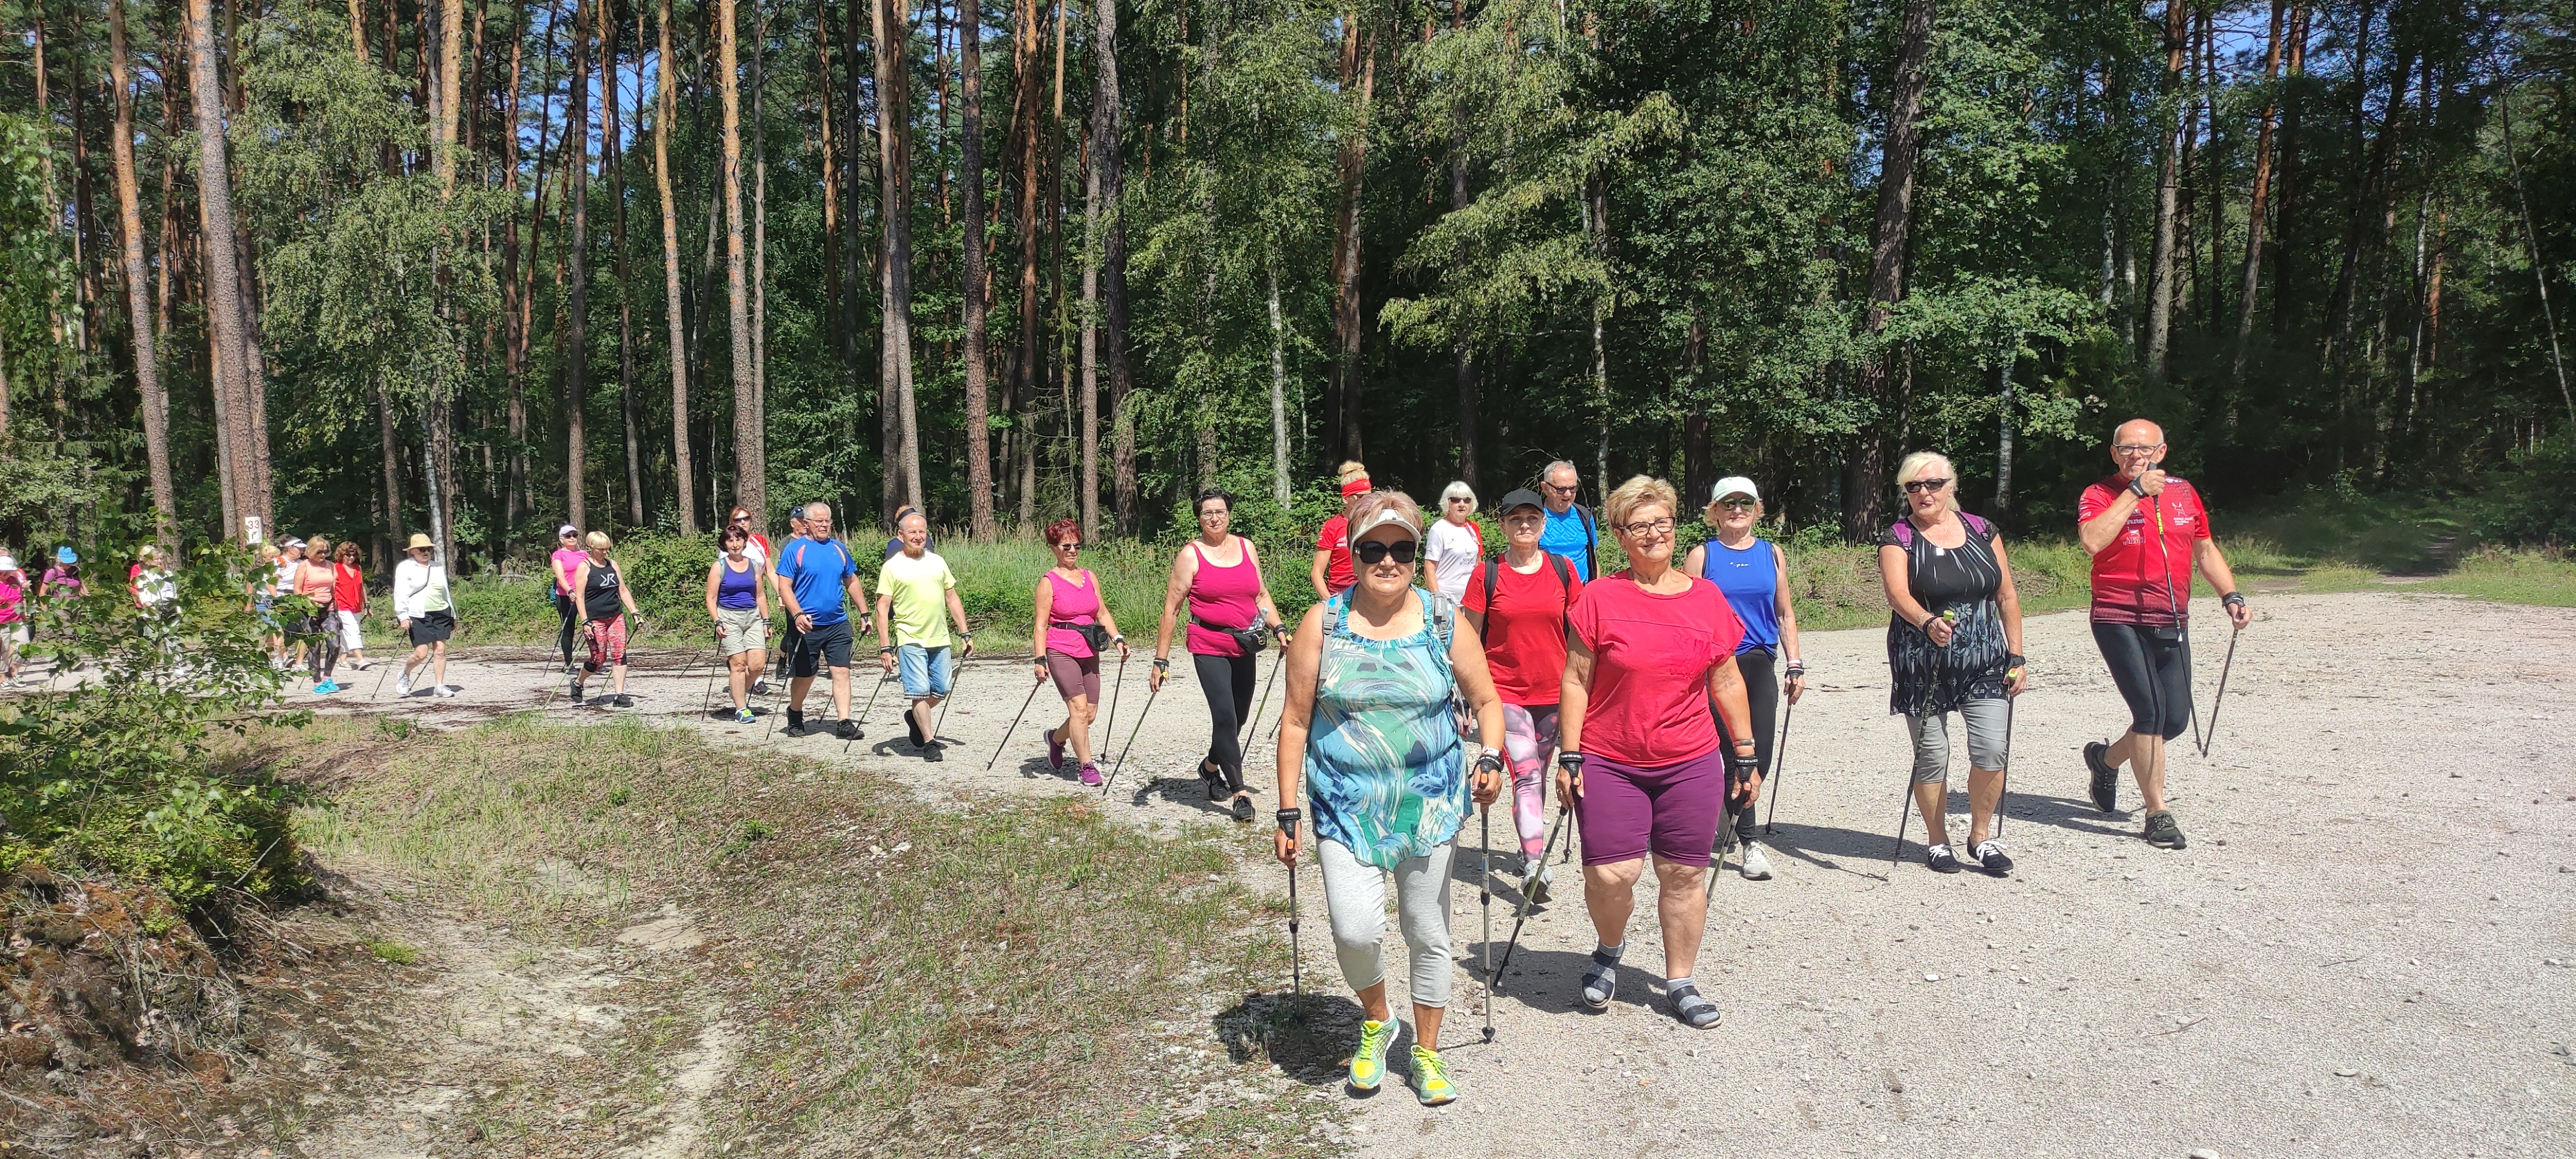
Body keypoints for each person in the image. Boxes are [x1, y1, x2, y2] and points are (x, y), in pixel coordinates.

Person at [1273, 490, 1505, 1106]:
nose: (1387, 560)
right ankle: (1378, 1018)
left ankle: (1425, 1052)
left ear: (1414, 553)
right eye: (1372, 548)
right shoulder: (1321, 622)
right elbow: (1295, 721)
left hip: (1428, 804)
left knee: (1426, 929)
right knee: (1354, 931)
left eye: (1401, 549)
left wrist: (1489, 756)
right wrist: (1287, 808)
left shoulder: (1440, 618)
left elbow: (1486, 700)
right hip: (1342, 806)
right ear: (1352, 552)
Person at [1557, 475, 1759, 1030]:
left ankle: (1680, 980)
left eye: (1662, 522)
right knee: (1611, 875)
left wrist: (1744, 752)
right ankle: (1608, 949)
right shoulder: (1598, 597)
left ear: (1676, 526)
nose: (1653, 533)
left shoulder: (1706, 598)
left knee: (1683, 874)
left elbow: (1727, 681)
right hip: (1609, 757)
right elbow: (1575, 680)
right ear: (1620, 535)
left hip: (1690, 758)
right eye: (1639, 525)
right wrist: (1568, 756)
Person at [2076, 419, 2250, 850]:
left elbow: (2204, 548)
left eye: (2146, 448)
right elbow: (2092, 541)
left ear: (2163, 452)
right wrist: (2134, 493)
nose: (2138, 455)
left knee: (2173, 720)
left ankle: (2106, 760)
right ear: (2114, 454)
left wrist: (2230, 593)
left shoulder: (2183, 492)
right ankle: (2158, 812)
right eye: (2127, 449)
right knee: (2150, 713)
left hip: (2171, 615)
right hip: (2117, 615)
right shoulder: (2099, 493)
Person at [1879, 452, 2029, 875]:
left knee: (1992, 748)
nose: (1924, 493)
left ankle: (1980, 837)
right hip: (1922, 662)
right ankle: (1937, 839)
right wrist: (1927, 623)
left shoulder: (1983, 531)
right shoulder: (1898, 538)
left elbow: (2007, 596)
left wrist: (2016, 655)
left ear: (1952, 485)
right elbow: (1896, 595)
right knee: (1932, 756)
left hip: (1986, 659)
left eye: (1933, 484)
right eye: (1914, 487)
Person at [1458, 487, 1583, 902]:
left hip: (1555, 692)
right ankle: (1534, 864)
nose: (1525, 525)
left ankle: (1529, 846)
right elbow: (1468, 637)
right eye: (1516, 520)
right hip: (1503, 693)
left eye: (1532, 518)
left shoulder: (1564, 570)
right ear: (1503, 526)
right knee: (1526, 773)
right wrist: (1466, 694)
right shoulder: (1487, 573)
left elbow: (1582, 634)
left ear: (1543, 524)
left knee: (1540, 775)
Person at [1682, 476, 1807, 880]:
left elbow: (1785, 613)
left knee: (1761, 755)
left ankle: (1728, 811)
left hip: (1759, 660)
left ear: (1758, 508)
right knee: (1738, 754)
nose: (1737, 510)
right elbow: (1685, 616)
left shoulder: (1772, 554)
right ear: (1714, 511)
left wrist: (1795, 664)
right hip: (1718, 664)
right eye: (1728, 503)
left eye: (1745, 503)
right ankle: (1750, 843)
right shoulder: (1703, 556)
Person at [1152, 489, 1290, 818]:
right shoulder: (1191, 555)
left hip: (1244, 643)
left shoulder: (1246, 547)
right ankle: (1239, 793)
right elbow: (1172, 608)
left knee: (1238, 717)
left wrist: (1279, 628)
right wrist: (1161, 659)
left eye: (1221, 512)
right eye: (1207, 513)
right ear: (1199, 518)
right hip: (1208, 643)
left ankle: (1211, 766)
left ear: (1229, 514)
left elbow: (1261, 596)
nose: (1215, 518)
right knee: (1225, 716)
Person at [1031, 519, 1130, 786]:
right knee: (1078, 709)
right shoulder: (1048, 582)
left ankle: (1056, 738)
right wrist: (1040, 660)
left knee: (1090, 713)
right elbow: (1040, 625)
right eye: (1066, 546)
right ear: (1054, 548)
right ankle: (1087, 766)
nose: (1073, 551)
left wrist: (1118, 638)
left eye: (1076, 545)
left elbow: (1102, 612)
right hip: (1060, 648)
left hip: (1090, 647)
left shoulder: (1089, 577)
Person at [875, 510, 975, 759]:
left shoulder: (937, 562)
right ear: (901, 535)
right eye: (912, 532)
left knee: (941, 688)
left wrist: (965, 632)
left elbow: (951, 598)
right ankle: (929, 742)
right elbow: (882, 607)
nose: (918, 537)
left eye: (922, 532)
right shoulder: (892, 567)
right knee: (919, 690)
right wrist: (885, 647)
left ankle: (915, 717)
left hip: (940, 638)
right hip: (910, 638)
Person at [774, 502, 869, 739]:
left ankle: (844, 722)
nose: (824, 525)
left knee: (841, 671)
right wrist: (797, 614)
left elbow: (852, 581)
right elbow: (784, 586)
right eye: (819, 521)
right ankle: (795, 711)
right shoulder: (796, 549)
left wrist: (864, 613)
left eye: (827, 520)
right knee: (805, 675)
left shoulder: (838, 548)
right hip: (806, 625)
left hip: (837, 623)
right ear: (806, 524)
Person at [705, 525, 773, 723]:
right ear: (725, 544)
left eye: (738, 540)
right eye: (730, 541)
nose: (735, 544)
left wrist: (766, 620)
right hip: (729, 617)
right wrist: (717, 621)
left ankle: (738, 692)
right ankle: (741, 709)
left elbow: (760, 595)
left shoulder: (753, 565)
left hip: (752, 617)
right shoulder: (720, 566)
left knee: (758, 665)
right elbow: (711, 598)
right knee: (738, 663)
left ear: (744, 541)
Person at [569, 531, 642, 708]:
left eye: (608, 549)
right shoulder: (584, 568)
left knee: (619, 654)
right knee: (598, 659)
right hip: (595, 619)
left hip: (615, 616)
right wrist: (585, 621)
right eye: (602, 549)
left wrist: (635, 612)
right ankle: (578, 682)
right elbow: (579, 597)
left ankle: (620, 695)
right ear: (591, 548)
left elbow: (623, 591)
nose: (605, 553)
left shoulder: (613, 565)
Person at [393, 534, 458, 698]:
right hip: (418, 614)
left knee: (440, 650)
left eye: (429, 549)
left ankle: (439, 686)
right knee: (421, 653)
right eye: (422, 549)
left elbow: (446, 593)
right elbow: (400, 593)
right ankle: (405, 674)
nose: (426, 552)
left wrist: (453, 614)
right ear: (413, 551)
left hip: (441, 613)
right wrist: (403, 616)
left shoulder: (437, 567)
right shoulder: (405, 567)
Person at [1308, 462, 1371, 598]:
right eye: (1360, 496)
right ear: (1346, 499)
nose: (1366, 501)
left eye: (1369, 496)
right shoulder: (1333, 526)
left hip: (1369, 597)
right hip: (1340, 596)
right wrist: (1331, 604)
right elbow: (1317, 574)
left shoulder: (1376, 523)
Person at [294, 535, 344, 694]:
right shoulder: (304, 565)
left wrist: (334, 604)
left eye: (326, 551)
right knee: (314, 647)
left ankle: (327, 677)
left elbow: (332, 587)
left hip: (328, 608)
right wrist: (307, 606)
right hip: (309, 610)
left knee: (335, 644)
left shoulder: (330, 565)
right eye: (319, 552)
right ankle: (317, 682)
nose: (323, 555)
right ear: (311, 551)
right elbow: (297, 590)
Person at [769, 505, 812, 691]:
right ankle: (785, 661)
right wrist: (781, 596)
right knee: (792, 634)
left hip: (809, 594)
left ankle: (805, 664)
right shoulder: (787, 543)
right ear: (792, 523)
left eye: (806, 519)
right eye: (801, 520)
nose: (804, 523)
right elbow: (782, 572)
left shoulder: (812, 541)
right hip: (791, 594)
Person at [1420, 481, 1485, 603]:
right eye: (1456, 500)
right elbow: (1429, 569)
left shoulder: (1474, 528)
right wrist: (1438, 600)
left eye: (1466, 500)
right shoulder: (1439, 529)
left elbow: (1479, 563)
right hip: (1448, 601)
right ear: (1447, 503)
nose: (1462, 504)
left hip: (1472, 600)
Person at [1536, 460, 1600, 580]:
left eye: (1573, 488)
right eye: (1560, 489)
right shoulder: (1533, 518)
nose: (1567, 495)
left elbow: (1593, 558)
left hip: (1582, 592)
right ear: (1545, 488)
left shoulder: (1585, 517)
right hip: (1547, 592)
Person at [549, 525, 586, 674]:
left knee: (591, 626)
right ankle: (569, 663)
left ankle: (596, 661)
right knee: (568, 629)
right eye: (568, 536)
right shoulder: (559, 555)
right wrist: (570, 591)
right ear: (561, 539)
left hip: (583, 595)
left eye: (574, 535)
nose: (572, 538)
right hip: (566, 596)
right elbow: (560, 576)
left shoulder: (584, 554)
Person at [330, 542, 371, 671]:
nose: (351, 558)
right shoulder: (335, 568)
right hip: (341, 605)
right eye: (348, 555)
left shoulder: (357, 568)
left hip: (356, 605)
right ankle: (361, 660)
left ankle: (343, 660)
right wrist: (331, 604)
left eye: (354, 555)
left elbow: (361, 587)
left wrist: (367, 604)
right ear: (341, 555)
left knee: (347, 633)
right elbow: (332, 587)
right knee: (353, 631)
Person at [0, 554, 26, 686]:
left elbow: (20, 599)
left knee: (24, 646)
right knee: (3, 652)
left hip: (17, 620)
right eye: (1, 570)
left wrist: (24, 613)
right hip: (1, 623)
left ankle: (12, 673)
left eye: (7, 570)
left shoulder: (15, 581)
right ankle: (2, 679)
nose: (4, 573)